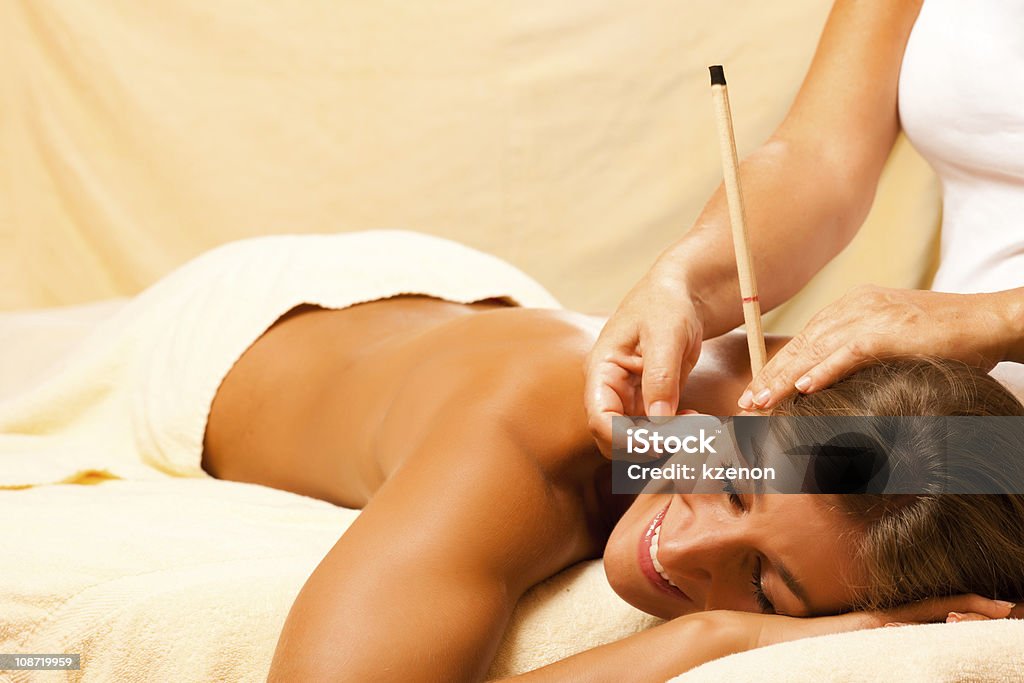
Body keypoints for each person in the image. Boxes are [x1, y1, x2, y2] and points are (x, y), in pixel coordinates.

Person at [197, 288, 1024, 681]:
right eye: (738, 492)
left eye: (766, 587)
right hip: (240, 323)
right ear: (755, 401)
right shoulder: (528, 432)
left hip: (475, 314)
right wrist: (713, 637)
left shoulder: (908, 440)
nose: (686, 550)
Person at [584, 0, 1024, 450]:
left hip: (979, 435)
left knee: (746, 489)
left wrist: (997, 319)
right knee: (613, 414)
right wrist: (683, 282)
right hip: (950, 399)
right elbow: (820, 158)